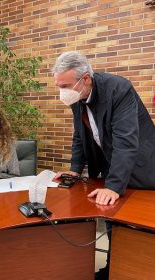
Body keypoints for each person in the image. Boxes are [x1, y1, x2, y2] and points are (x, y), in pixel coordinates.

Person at [52, 51, 155, 279]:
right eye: (59, 86)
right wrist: (75, 169)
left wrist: (114, 186)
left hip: (141, 166)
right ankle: (112, 269)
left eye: (66, 85)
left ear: (85, 78)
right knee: (112, 220)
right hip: (112, 165)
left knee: (140, 228)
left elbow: (126, 141)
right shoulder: (76, 96)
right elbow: (79, 135)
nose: (62, 92)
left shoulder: (119, 89)